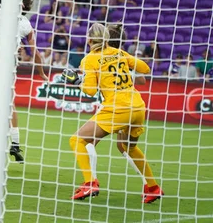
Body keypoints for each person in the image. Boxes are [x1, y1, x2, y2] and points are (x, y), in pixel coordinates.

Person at [65, 23, 163, 203]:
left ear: (90, 39)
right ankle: (153, 187)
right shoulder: (120, 53)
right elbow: (145, 69)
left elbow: (90, 91)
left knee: (77, 140)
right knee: (128, 147)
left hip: (117, 108)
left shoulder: (89, 59)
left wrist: (77, 81)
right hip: (138, 106)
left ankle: (90, 183)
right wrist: (125, 61)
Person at [0, 0, 48, 161]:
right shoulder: (25, 25)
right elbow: (35, 52)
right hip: (7, 65)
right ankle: (14, 143)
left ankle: (8, 142)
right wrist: (41, 72)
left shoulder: (0, 15)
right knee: (7, 102)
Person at [82, 23, 149, 190]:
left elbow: (141, 79)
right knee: (124, 146)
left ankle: (91, 181)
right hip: (133, 103)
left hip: (118, 106)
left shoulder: (103, 57)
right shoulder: (122, 56)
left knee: (87, 140)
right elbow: (143, 76)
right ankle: (149, 184)